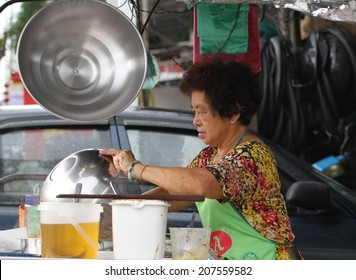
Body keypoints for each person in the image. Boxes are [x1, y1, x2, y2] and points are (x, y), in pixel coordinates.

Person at [99, 58, 302, 260]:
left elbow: (202, 183)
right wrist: (125, 211)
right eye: (194, 111)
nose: (195, 120)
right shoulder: (211, 155)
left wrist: (136, 168)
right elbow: (177, 191)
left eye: (202, 111)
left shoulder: (252, 156)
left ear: (233, 113)